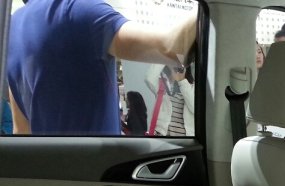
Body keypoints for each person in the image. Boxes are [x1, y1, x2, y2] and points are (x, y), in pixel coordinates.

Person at [7, 0, 196, 135]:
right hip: (98, 169)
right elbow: (174, 48)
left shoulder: (12, 28)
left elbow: (21, 130)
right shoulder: (78, 9)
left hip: (51, 176)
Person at [145, 63, 195, 136]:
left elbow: (194, 108)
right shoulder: (162, 85)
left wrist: (182, 80)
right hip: (162, 137)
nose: (177, 68)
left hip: (185, 140)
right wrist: (164, 58)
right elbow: (149, 78)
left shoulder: (193, 88)